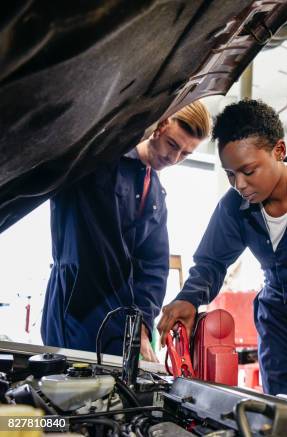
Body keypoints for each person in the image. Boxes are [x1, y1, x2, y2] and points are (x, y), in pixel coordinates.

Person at [157, 99, 287, 409]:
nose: (239, 184)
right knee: (280, 424)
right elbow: (211, 263)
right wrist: (189, 297)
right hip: (280, 343)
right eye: (230, 174)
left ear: (279, 151)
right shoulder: (234, 207)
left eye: (248, 171)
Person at [42, 100, 211, 361]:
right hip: (74, 305)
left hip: (120, 321)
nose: (174, 158)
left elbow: (154, 266)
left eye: (186, 154)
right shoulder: (99, 159)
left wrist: (141, 324)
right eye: (173, 145)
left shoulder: (154, 195)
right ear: (160, 126)